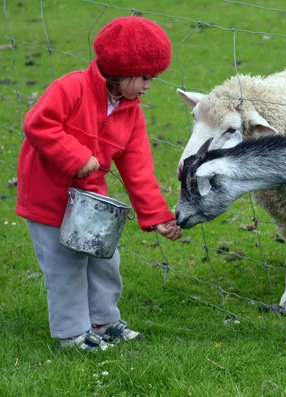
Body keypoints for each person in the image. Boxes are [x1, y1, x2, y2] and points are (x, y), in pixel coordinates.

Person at [16, 16, 182, 351]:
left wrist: (158, 216)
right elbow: (38, 123)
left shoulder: (130, 111)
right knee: (66, 266)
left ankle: (103, 322)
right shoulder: (71, 88)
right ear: (120, 71)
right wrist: (76, 157)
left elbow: (138, 168)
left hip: (91, 203)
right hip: (49, 199)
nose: (149, 86)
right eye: (145, 77)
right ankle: (72, 334)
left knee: (106, 262)